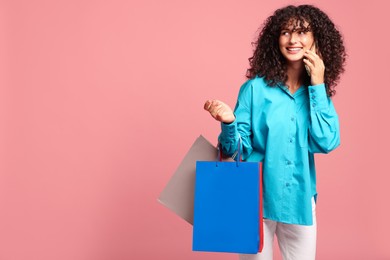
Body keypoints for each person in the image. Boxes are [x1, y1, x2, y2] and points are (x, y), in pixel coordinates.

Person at [204, 5, 346, 260]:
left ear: (316, 40)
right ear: (275, 39)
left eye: (302, 32)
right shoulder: (254, 89)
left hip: (300, 199)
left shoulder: (317, 94)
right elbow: (235, 150)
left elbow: (326, 142)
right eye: (285, 32)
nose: (293, 40)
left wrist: (317, 84)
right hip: (253, 198)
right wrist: (228, 122)